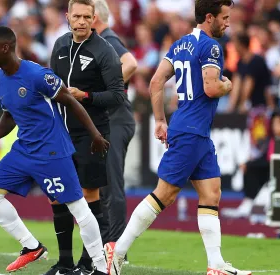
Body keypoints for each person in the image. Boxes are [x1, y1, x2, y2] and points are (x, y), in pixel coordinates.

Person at [105, 1, 253, 275]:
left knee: (212, 193)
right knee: (165, 194)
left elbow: (156, 81)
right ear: (209, 17)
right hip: (192, 131)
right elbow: (211, 88)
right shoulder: (211, 46)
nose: (228, 23)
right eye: (224, 17)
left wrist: (160, 119)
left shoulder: (180, 44)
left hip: (191, 129)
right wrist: (228, 84)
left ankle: (216, 265)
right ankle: (118, 250)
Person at [0, 26, 110, 275]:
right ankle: (31, 246)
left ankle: (102, 268)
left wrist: (95, 134)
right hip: (24, 150)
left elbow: (70, 101)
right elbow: (10, 115)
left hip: (51, 152)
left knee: (78, 208)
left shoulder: (37, 75)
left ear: (5, 48)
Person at [46, 0, 125, 274]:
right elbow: (50, 86)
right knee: (58, 196)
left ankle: (89, 262)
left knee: (89, 196)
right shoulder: (59, 46)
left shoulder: (105, 51)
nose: (81, 21)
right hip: (60, 134)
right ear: (67, 16)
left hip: (91, 134)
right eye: (76, 16)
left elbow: (117, 96)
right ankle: (65, 263)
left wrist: (86, 96)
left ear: (94, 18)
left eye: (86, 17)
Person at [91, 0, 138, 257]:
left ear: (94, 16)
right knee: (104, 183)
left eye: (85, 15)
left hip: (117, 117)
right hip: (112, 119)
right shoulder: (101, 41)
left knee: (112, 182)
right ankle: (109, 243)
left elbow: (130, 63)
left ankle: (117, 247)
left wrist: (105, 90)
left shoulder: (108, 38)